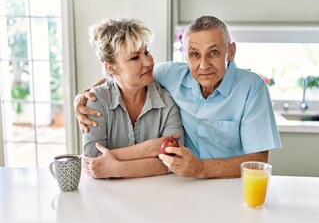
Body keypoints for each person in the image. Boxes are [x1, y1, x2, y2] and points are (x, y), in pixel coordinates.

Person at [75, 15, 281, 179]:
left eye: (214, 52)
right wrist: (84, 96)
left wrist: (200, 169)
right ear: (185, 55)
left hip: (230, 186)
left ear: (231, 52)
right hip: (180, 185)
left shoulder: (252, 88)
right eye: (194, 54)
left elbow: (258, 161)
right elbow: (124, 77)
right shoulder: (171, 74)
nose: (203, 65)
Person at [81, 17, 183, 178]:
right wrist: (151, 148)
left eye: (146, 52)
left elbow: (174, 160)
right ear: (110, 67)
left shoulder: (166, 101)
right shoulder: (96, 101)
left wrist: (115, 168)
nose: (149, 61)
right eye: (135, 58)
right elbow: (93, 160)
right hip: (107, 197)